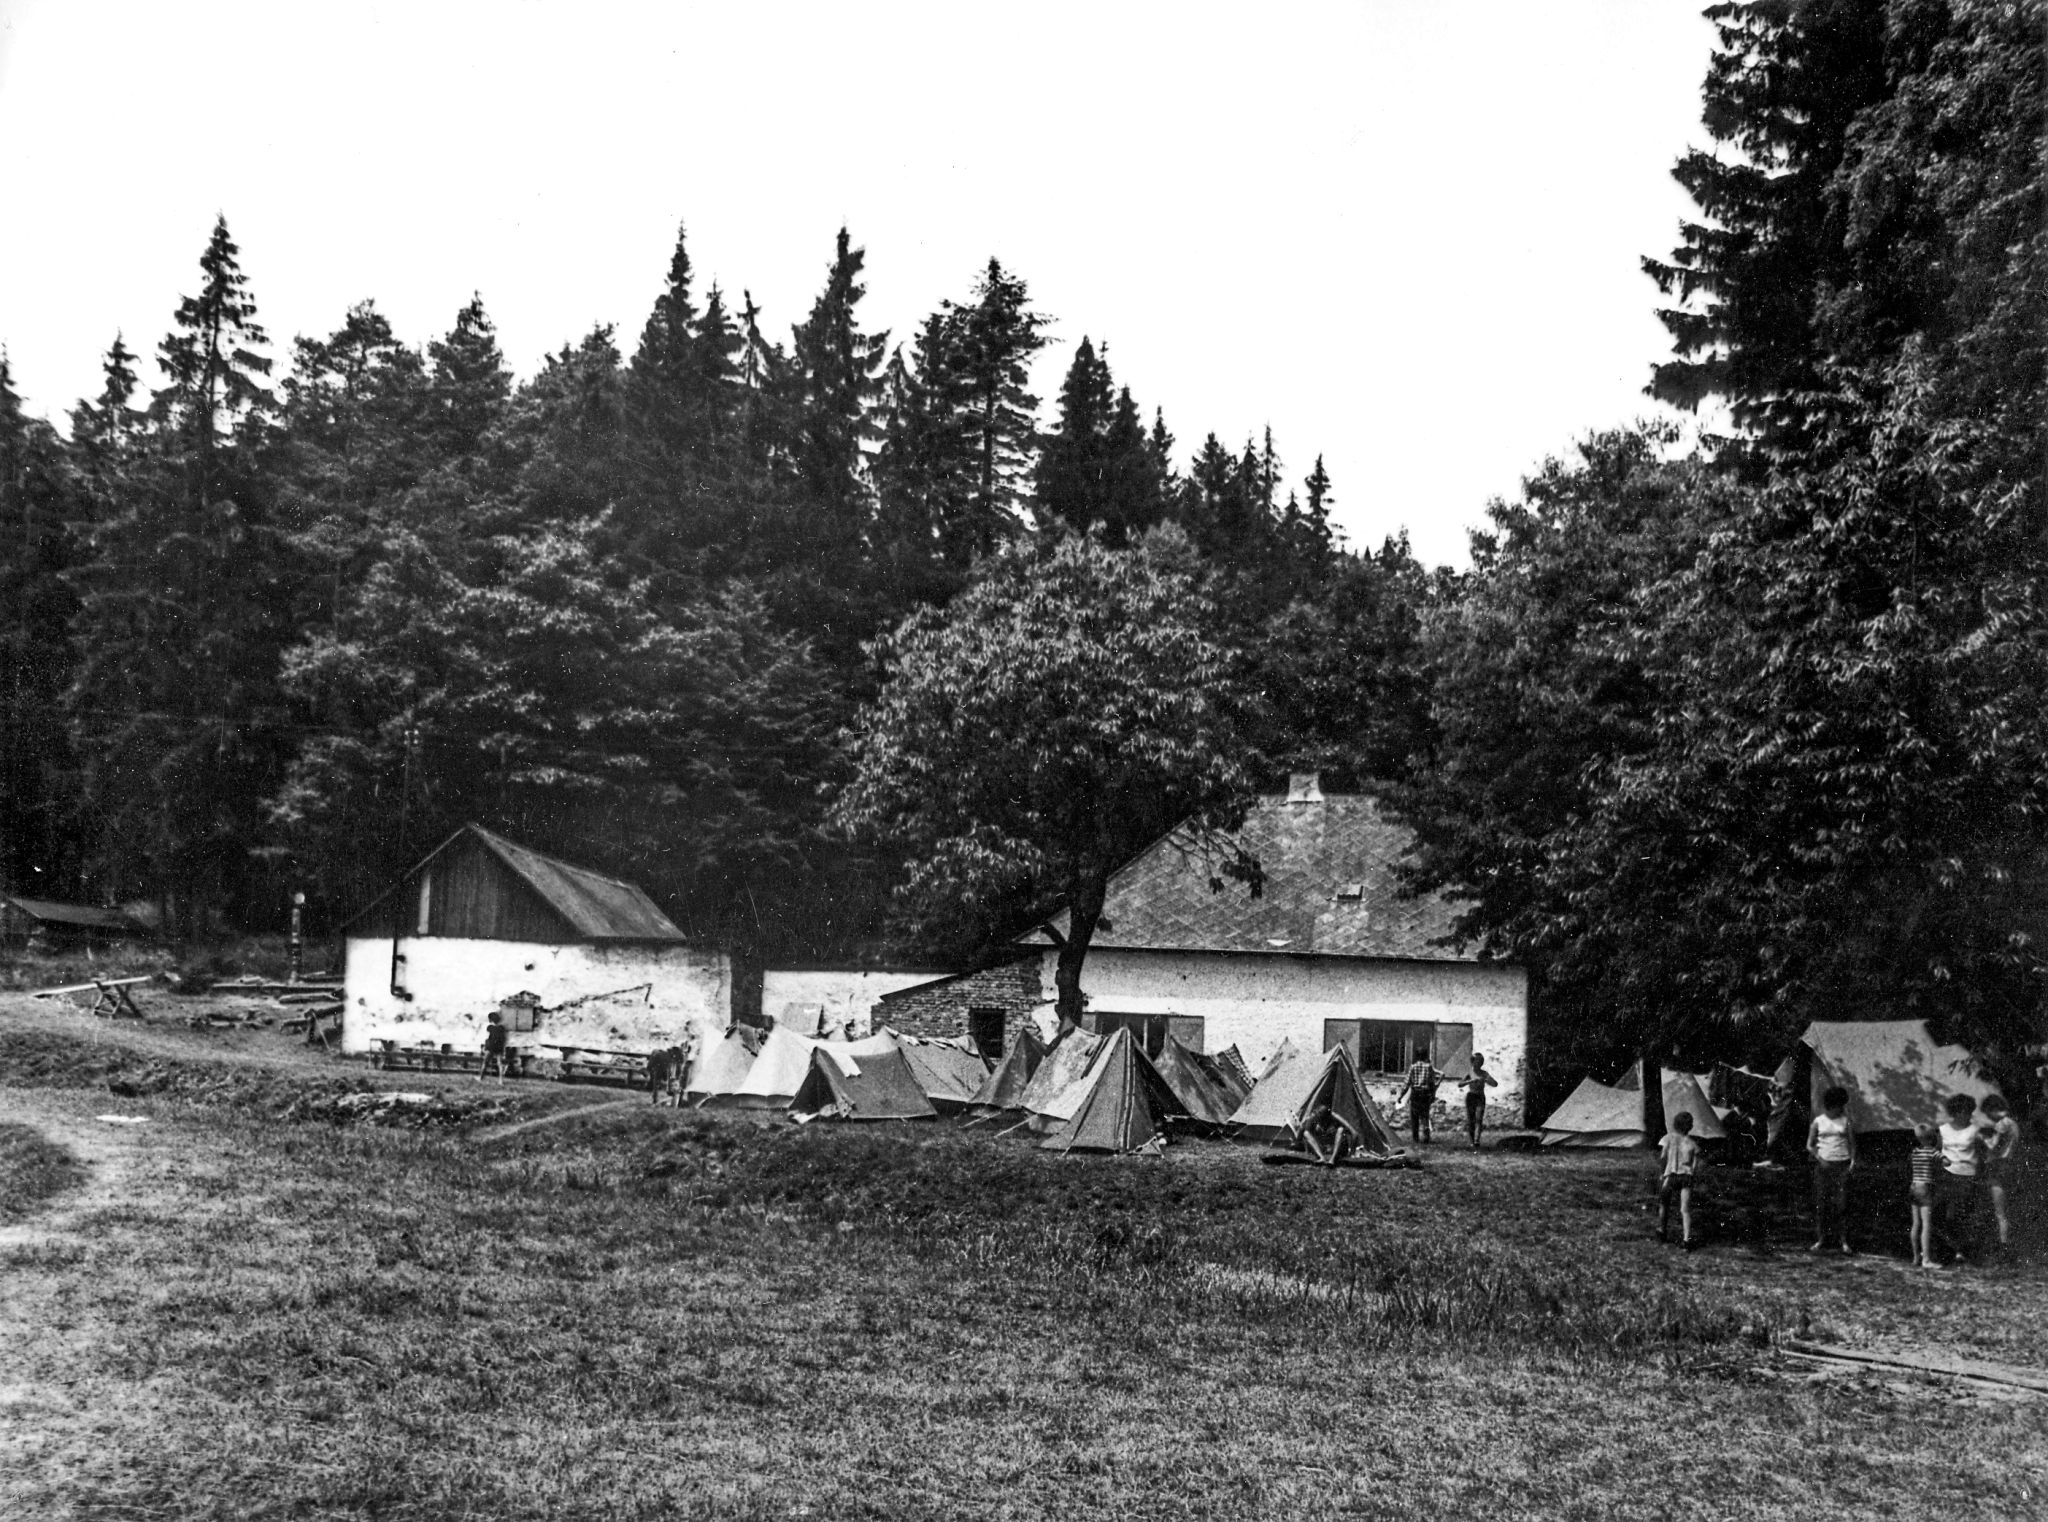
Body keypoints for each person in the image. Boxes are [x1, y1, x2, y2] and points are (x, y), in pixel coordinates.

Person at [1806, 1085, 1857, 1254]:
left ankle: (1844, 1241)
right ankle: (1822, 1239)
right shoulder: (1818, 1121)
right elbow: (1809, 1145)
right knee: (1822, 1204)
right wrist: (1820, 1158)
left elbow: (1852, 1143)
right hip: (1823, 1166)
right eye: (1839, 1105)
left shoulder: (1845, 1121)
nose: (1841, 1108)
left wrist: (1852, 1162)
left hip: (1842, 1165)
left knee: (1842, 1204)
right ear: (1832, 1105)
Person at [1936, 1093, 1985, 1264]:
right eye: (1964, 1111)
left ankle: (1961, 1251)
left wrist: (1979, 1176)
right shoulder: (1943, 1130)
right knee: (1945, 1215)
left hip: (1967, 1176)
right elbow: (1938, 1151)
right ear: (1955, 1112)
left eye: (1970, 1111)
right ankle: (1948, 1249)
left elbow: (1981, 1154)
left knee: (1960, 1215)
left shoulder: (1975, 1131)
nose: (1968, 1115)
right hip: (1947, 1176)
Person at [1657, 1111, 1703, 1249]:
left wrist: (1662, 1173)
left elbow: (1663, 1157)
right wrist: (1692, 1176)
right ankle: (1686, 1239)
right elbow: (1694, 1165)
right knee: (1685, 1209)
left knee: (1664, 1204)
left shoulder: (1667, 1139)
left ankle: (1662, 1230)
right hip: (1686, 1177)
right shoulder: (1692, 1144)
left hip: (1671, 1175)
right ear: (1689, 1127)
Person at [1980, 1094, 2019, 1256]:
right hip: (2009, 1165)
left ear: (1993, 1109)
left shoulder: (2002, 1124)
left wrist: (1982, 1138)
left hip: (1998, 1166)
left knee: (1999, 1212)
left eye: (1988, 1113)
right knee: (2005, 1211)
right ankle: (2006, 1246)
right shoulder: (2013, 1123)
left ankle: (2003, 1249)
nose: (1988, 1117)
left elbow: (1994, 1146)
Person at [1908, 1123, 1941, 1269]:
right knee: (1927, 1224)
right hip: (1925, 1187)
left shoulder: (1915, 1152)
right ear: (1932, 1137)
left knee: (1916, 1223)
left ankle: (1916, 1257)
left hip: (1914, 1186)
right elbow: (1947, 1162)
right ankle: (1926, 1260)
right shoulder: (1933, 1152)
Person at [1398, 1048, 1442, 1145]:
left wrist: (1401, 1096)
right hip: (1425, 1093)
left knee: (1414, 1116)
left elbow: (1407, 1083)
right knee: (1425, 1115)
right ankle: (1426, 1136)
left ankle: (1415, 1138)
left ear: (1417, 1056)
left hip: (1415, 1093)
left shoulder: (1413, 1067)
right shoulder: (1429, 1067)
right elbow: (1431, 1082)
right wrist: (1432, 1094)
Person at [1460, 1054, 1500, 1148]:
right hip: (1471, 1096)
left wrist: (1486, 1080)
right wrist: (1470, 1081)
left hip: (1480, 1097)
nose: (1479, 1064)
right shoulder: (1469, 1073)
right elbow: (1460, 1084)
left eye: (1480, 1062)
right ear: (1472, 1062)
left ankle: (1477, 1140)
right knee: (1471, 1120)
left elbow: (1495, 1084)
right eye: (1477, 1061)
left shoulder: (1484, 1073)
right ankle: (1471, 1141)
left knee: (1479, 1118)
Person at [480, 1010, 511, 1082]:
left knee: (485, 1062)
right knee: (500, 1064)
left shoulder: (489, 1027)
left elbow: (487, 1037)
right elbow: (504, 1038)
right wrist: (503, 1047)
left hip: (491, 1046)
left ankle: (481, 1078)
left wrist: (485, 1046)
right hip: (499, 1046)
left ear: (490, 1019)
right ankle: (500, 1080)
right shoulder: (502, 1028)